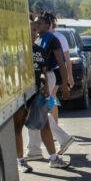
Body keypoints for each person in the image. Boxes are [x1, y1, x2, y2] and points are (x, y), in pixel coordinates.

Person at [16, 15, 70, 172]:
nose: (33, 32)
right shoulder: (18, 51)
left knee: (44, 124)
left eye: (34, 29)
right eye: (29, 30)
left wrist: (46, 84)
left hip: (38, 93)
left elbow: (43, 70)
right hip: (22, 93)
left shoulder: (39, 49)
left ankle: (53, 158)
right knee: (18, 126)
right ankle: (21, 161)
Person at [26, 12, 75, 159]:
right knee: (35, 112)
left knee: (36, 112)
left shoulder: (52, 39)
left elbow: (61, 63)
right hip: (37, 77)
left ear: (48, 25)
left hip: (47, 77)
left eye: (39, 23)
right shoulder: (38, 38)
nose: (36, 25)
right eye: (35, 23)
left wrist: (65, 85)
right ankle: (36, 148)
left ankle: (37, 148)